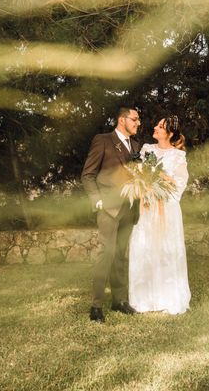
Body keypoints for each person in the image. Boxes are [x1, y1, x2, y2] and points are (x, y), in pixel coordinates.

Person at [81, 106, 142, 323]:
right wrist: (97, 201)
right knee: (105, 254)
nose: (138, 123)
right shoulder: (103, 140)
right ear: (122, 120)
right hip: (108, 209)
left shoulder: (136, 146)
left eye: (138, 120)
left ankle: (120, 301)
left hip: (130, 209)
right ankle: (96, 306)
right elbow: (87, 175)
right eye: (135, 119)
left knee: (120, 256)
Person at [128, 115, 191, 314]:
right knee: (145, 248)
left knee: (165, 249)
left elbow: (179, 185)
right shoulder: (147, 150)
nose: (155, 127)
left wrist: (161, 182)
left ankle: (168, 297)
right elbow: (137, 174)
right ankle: (144, 298)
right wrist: (144, 186)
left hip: (167, 210)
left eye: (160, 126)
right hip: (147, 208)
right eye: (156, 124)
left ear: (169, 133)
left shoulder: (178, 156)